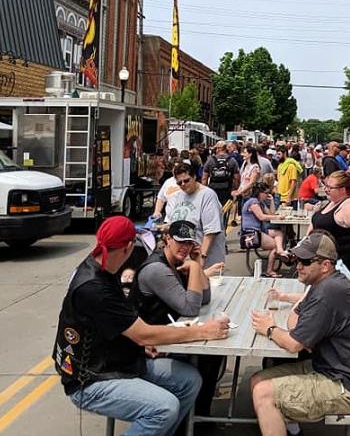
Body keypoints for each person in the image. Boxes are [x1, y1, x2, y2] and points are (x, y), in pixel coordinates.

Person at [53, 216, 229, 435]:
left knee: (190, 380)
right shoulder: (94, 286)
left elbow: (122, 325)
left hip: (118, 360)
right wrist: (203, 331)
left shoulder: (101, 265)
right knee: (164, 408)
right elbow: (143, 333)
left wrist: (141, 342)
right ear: (128, 247)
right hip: (91, 379)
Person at [249, 230, 350, 436]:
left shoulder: (328, 291)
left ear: (325, 265)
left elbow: (294, 343)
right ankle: (293, 431)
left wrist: (269, 328)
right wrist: (289, 332)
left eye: (305, 261)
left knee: (263, 393)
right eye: (296, 259)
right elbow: (296, 324)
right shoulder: (323, 284)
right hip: (334, 367)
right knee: (257, 380)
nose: (298, 266)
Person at [132, 220, 225, 417]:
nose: (185, 247)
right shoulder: (157, 269)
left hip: (168, 336)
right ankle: (188, 420)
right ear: (167, 239)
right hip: (150, 346)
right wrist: (193, 268)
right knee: (206, 358)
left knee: (215, 355)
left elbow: (204, 298)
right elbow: (191, 308)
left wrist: (198, 262)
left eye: (190, 243)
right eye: (180, 242)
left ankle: (199, 415)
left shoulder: (177, 262)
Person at [310, 171, 350, 280]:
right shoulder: (333, 201)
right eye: (326, 186)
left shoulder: (349, 206)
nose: (326, 190)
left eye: (330, 188)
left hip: (341, 265)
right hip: (325, 262)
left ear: (342, 189)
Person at [165, 162, 227, 268]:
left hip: (207, 259)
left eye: (186, 180)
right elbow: (170, 225)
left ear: (194, 177)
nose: (183, 184)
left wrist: (202, 257)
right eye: (179, 183)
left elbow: (210, 231)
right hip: (183, 260)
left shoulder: (207, 195)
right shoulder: (176, 196)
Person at [242, 182, 289, 277]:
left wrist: (271, 201)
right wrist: (278, 218)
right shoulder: (253, 202)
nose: (267, 195)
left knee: (279, 233)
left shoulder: (260, 202)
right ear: (259, 192)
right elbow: (262, 217)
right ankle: (270, 270)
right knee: (274, 245)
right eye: (266, 193)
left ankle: (280, 250)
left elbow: (271, 213)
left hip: (258, 231)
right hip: (250, 234)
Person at [202, 141, 241, 206]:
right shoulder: (232, 160)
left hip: (213, 188)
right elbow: (237, 178)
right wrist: (235, 189)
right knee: (226, 209)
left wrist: (205, 190)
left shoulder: (210, 160)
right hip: (227, 189)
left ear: (218, 149)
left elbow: (204, 178)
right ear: (226, 148)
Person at [276, 145, 303, 209]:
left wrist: (289, 197)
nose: (277, 156)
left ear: (285, 153)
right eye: (277, 154)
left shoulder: (291, 166)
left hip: (290, 198)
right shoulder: (280, 165)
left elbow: (293, 182)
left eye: (279, 154)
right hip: (280, 196)